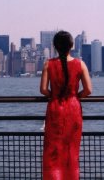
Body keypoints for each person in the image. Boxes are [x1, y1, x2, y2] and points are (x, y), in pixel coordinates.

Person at [40, 30, 92, 179]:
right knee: (71, 150)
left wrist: (55, 95)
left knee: (53, 151)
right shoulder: (80, 64)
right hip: (73, 109)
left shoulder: (48, 64)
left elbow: (43, 90)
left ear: (55, 47)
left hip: (55, 108)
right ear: (71, 46)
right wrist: (75, 96)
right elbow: (88, 90)